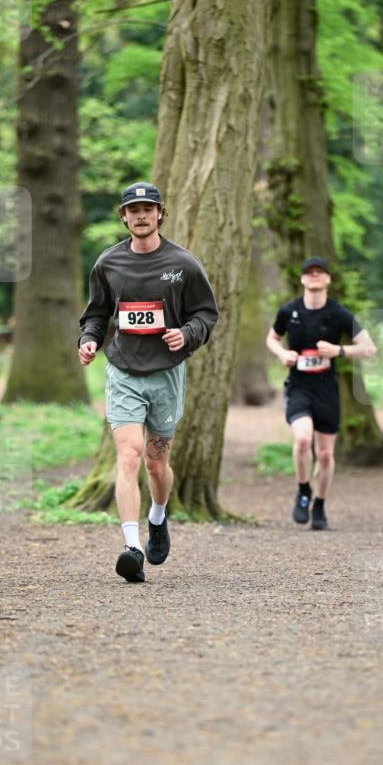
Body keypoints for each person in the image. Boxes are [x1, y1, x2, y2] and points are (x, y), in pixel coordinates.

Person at [78, 182, 218, 583]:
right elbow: (97, 314)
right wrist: (88, 339)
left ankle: (157, 517)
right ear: (124, 216)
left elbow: (206, 315)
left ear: (160, 213)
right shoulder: (108, 264)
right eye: (133, 209)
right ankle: (132, 548)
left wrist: (186, 334)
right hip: (122, 370)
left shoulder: (184, 264)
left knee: (157, 464)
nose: (141, 215)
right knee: (128, 455)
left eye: (147, 209)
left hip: (166, 374)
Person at [266, 256, 376, 530]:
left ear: (327, 279)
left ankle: (320, 505)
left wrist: (339, 351)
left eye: (320, 273)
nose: (314, 276)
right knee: (303, 439)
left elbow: (369, 347)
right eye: (309, 273)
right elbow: (271, 338)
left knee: (325, 454)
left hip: (327, 388)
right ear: (302, 279)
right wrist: (282, 354)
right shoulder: (289, 311)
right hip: (299, 386)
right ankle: (303, 490)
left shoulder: (338, 313)